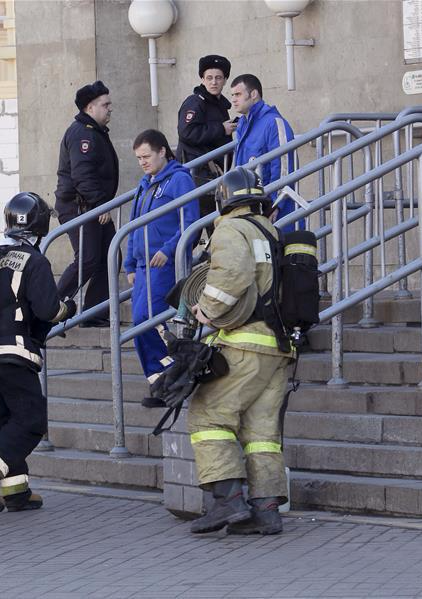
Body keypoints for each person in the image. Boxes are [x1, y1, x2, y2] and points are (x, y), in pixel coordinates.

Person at [187, 167, 294, 536]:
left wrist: (206, 310)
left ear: (223, 199)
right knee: (261, 431)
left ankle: (228, 501)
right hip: (278, 348)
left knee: (208, 416)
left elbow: (232, 275)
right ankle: (266, 512)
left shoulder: (230, 229)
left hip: (244, 344)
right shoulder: (271, 230)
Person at [0, 192, 76, 513]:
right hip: (13, 351)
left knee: (2, 422)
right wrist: (68, 308)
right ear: (39, 224)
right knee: (30, 421)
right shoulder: (35, 261)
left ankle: (17, 491)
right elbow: (47, 308)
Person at [123, 130, 198, 406]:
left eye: (146, 156)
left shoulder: (179, 180)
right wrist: (129, 263)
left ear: (163, 151)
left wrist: (168, 250)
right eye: (139, 158)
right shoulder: (145, 184)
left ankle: (171, 374)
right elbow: (133, 228)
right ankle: (160, 382)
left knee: (146, 320)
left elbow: (189, 221)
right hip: (142, 267)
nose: (142, 162)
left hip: (163, 264)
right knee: (139, 323)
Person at [55, 80, 119, 326]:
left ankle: (93, 312)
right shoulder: (83, 133)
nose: (109, 108)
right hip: (81, 207)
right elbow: (82, 175)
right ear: (90, 108)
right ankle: (49, 307)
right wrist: (100, 204)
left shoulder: (93, 131)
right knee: (89, 259)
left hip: (92, 206)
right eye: (105, 105)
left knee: (110, 257)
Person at [230, 74, 300, 232]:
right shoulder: (242, 124)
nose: (233, 100)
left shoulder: (273, 122)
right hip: (252, 207)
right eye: (232, 95)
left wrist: (276, 204)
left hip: (276, 210)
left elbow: (284, 166)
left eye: (238, 94)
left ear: (253, 94)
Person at [176, 55, 234, 230]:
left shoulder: (218, 104)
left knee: (213, 227)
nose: (214, 82)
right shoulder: (195, 102)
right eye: (209, 78)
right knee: (196, 228)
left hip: (211, 176)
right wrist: (221, 129)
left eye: (218, 78)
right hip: (198, 175)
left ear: (225, 80)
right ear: (202, 79)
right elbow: (187, 132)